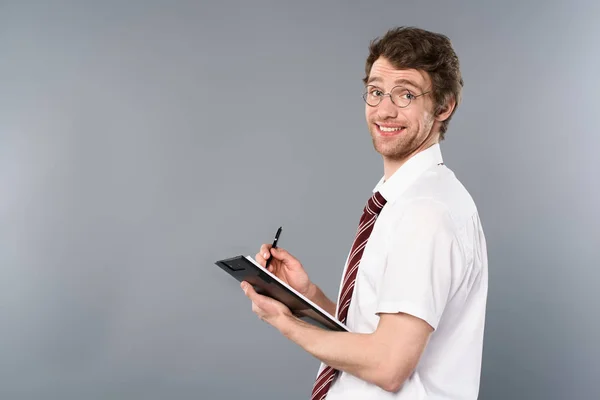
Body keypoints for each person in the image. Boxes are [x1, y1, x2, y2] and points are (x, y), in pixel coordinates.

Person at [240, 26, 488, 400]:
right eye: (375, 92)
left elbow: (389, 365)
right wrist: (306, 297)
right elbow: (373, 339)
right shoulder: (403, 199)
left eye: (406, 94)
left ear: (443, 105)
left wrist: (286, 323)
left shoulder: (426, 212)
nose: (384, 110)